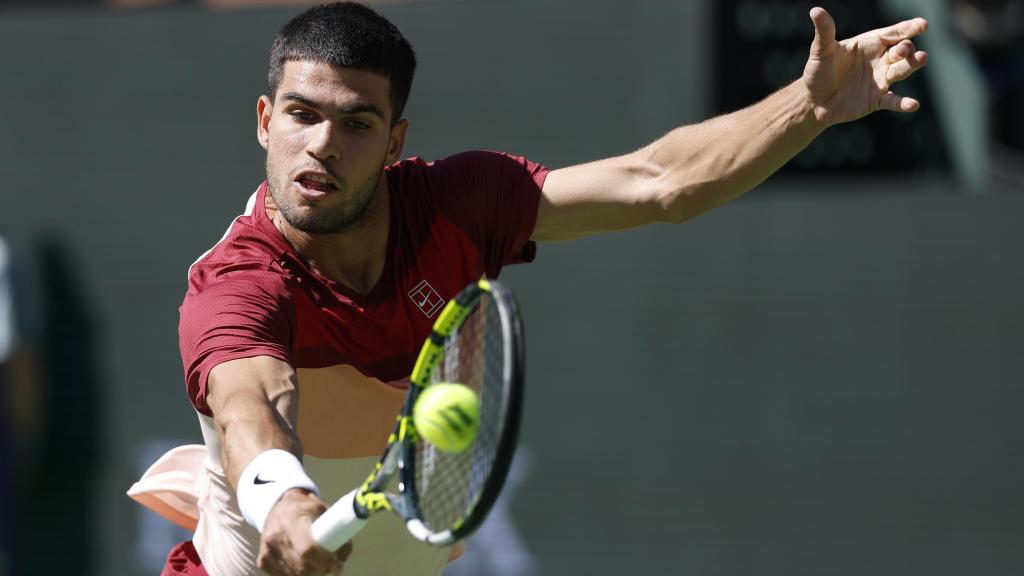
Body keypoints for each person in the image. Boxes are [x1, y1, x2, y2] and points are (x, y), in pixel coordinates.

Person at [128, 2, 929, 575]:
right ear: (266, 120)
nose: (323, 145)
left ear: (396, 139)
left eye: (357, 123)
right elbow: (249, 409)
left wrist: (809, 105)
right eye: (302, 115)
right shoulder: (236, 283)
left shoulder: (458, 206)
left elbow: (661, 181)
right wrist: (286, 506)